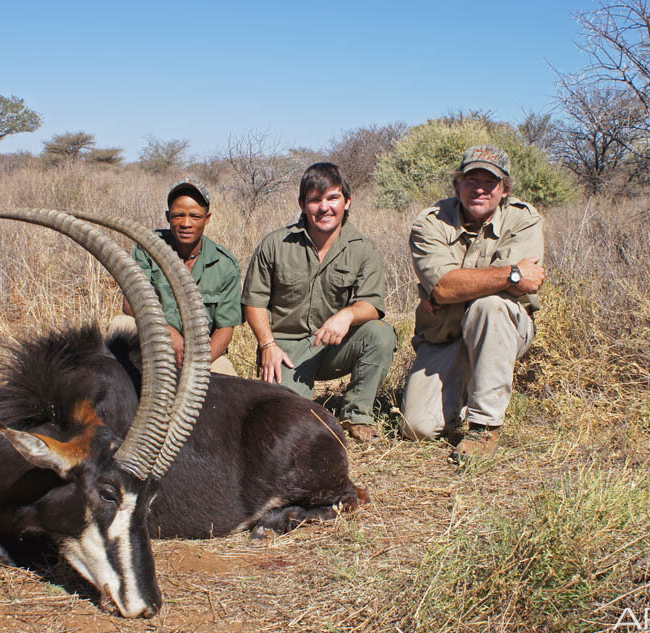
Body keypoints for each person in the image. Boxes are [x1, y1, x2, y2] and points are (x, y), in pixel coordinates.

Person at [400, 145, 546, 462]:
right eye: (470, 180)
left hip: (500, 328)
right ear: (458, 185)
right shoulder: (430, 222)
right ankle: (471, 388)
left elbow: (512, 289)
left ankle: (484, 427)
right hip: (445, 336)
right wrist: (512, 274)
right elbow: (444, 287)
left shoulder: (523, 220)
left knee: (490, 306)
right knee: (417, 428)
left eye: (489, 182)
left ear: (504, 189)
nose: (479, 189)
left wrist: (458, 288)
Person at [242, 162, 396, 442]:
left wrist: (347, 315)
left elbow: (372, 305)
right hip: (284, 352)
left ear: (347, 202)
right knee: (290, 424)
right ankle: (309, 404)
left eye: (333, 198)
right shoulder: (275, 244)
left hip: (331, 346)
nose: (324, 207)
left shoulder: (363, 248)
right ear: (302, 204)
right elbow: (254, 302)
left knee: (380, 334)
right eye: (315, 200)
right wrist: (268, 345)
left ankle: (357, 414)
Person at [114, 178, 242, 375]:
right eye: (178, 216)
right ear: (168, 217)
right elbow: (130, 304)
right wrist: (168, 333)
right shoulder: (148, 248)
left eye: (195, 216)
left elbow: (225, 329)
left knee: (227, 374)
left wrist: (199, 361)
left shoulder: (225, 264)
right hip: (152, 340)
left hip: (197, 354)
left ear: (207, 218)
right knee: (121, 325)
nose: (186, 224)